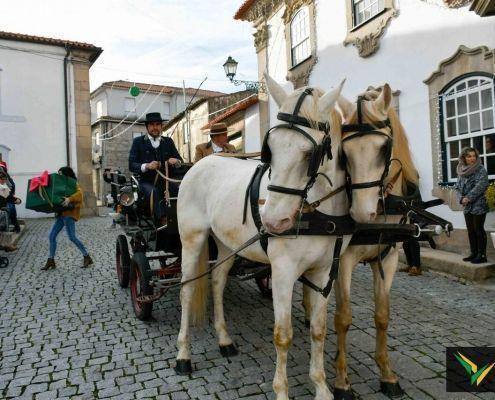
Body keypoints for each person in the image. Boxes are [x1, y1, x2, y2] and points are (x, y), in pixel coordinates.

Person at [129, 112, 183, 222]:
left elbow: (180, 161)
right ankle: (162, 219)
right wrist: (147, 166)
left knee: (179, 189)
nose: (155, 127)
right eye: (152, 125)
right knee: (154, 192)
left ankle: (179, 217)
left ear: (161, 126)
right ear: (147, 127)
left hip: (165, 180)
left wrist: (176, 161)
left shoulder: (168, 141)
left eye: (158, 124)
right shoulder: (138, 142)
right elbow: (132, 165)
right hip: (146, 182)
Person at [42, 167, 93, 270]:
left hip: (69, 214)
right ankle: (51, 260)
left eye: (61, 173)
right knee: (52, 236)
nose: (59, 175)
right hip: (61, 214)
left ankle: (87, 256)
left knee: (72, 237)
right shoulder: (61, 184)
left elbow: (80, 194)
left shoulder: (74, 183)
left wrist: (70, 199)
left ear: (66, 174)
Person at [456, 147, 489, 264]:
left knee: (478, 229)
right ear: (464, 158)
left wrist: (468, 197)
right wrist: (461, 198)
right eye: (469, 156)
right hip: (466, 205)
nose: (472, 158)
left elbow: (482, 185)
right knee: (471, 230)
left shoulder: (480, 169)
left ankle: (482, 255)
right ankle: (474, 253)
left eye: (474, 156)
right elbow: (457, 187)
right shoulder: (461, 171)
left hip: (479, 204)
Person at [0, 163, 21, 232]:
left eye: (4, 179)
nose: (4, 181)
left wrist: (16, 200)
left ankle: (16, 226)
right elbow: (9, 197)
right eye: (2, 179)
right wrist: (17, 200)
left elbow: (9, 197)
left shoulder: (3, 187)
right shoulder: (2, 187)